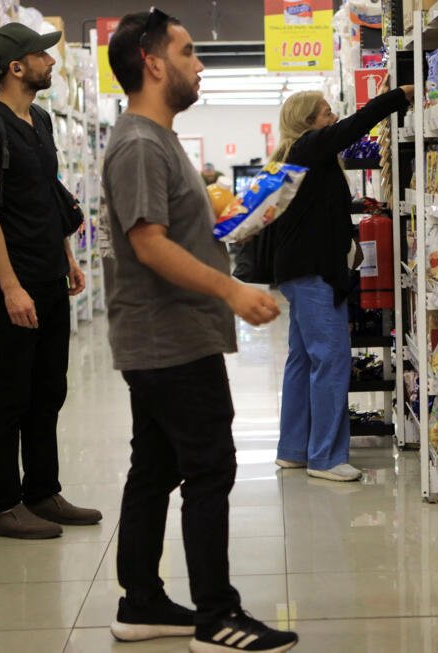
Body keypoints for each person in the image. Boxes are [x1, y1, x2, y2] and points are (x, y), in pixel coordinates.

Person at [102, 10, 297, 653]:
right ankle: (217, 616)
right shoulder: (138, 143)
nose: (199, 62)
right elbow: (149, 246)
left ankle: (142, 603)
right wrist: (232, 290)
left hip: (169, 336)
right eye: (187, 52)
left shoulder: (157, 139)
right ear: (153, 63)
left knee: (155, 468)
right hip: (170, 338)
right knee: (210, 467)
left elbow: (169, 234)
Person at [0, 23, 101, 539]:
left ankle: (43, 492)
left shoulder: (40, 119)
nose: (51, 61)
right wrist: (11, 286)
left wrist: (67, 256)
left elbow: (47, 195)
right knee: (7, 395)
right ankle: (1, 505)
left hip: (48, 274)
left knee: (49, 389)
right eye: (41, 54)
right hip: (11, 282)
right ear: (16, 67)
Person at [269, 85, 414, 482]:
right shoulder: (308, 148)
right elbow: (354, 127)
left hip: (300, 270)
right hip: (313, 272)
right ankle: (327, 457)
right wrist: (397, 96)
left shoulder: (298, 157)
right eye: (326, 113)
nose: (333, 118)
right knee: (332, 359)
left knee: (302, 360)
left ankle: (294, 449)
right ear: (308, 123)